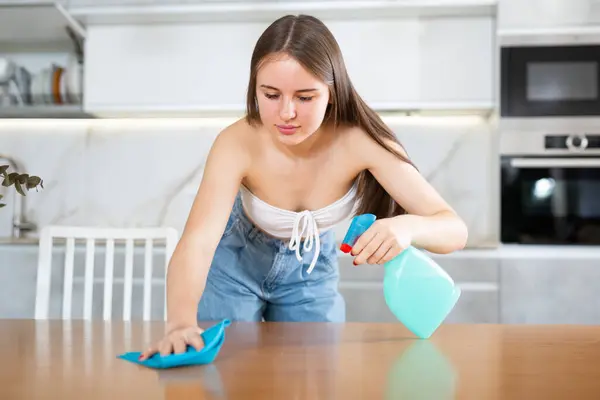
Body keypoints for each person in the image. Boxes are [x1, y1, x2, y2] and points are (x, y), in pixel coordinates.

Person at [139, 14, 467, 360]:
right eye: (270, 94)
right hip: (232, 268)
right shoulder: (236, 143)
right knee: (225, 373)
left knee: (314, 380)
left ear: (332, 92)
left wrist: (407, 227)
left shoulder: (361, 141)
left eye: (305, 97)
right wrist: (178, 323)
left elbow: (453, 230)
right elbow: (198, 242)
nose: (286, 113)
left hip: (312, 274)